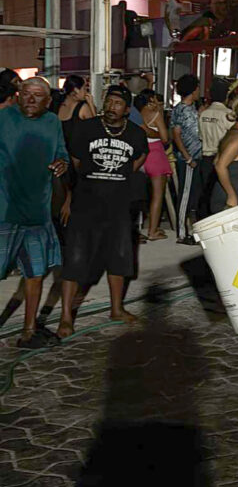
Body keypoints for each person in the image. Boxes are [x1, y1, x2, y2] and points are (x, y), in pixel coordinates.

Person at [57, 85, 148, 338]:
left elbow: (138, 160)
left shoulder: (135, 133)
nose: (111, 107)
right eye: (108, 102)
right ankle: (65, 317)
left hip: (118, 206)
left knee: (119, 257)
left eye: (117, 103)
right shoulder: (86, 129)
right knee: (74, 260)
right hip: (86, 205)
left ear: (127, 110)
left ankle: (116, 309)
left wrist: (116, 178)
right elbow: (76, 163)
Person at [0, 77, 68, 348]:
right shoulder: (4, 118)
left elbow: (61, 153)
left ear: (48, 101)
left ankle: (29, 330)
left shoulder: (53, 122)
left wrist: (62, 163)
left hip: (38, 213)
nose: (30, 99)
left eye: (37, 95)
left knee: (35, 273)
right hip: (4, 210)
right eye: (26, 93)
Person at [135, 89, 171, 241]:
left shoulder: (137, 114)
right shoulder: (156, 115)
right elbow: (165, 138)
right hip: (155, 154)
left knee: (140, 194)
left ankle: (138, 227)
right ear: (151, 100)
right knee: (157, 195)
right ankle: (153, 231)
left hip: (140, 155)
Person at [170, 74, 202, 243]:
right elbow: (176, 135)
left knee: (192, 196)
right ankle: (182, 233)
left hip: (195, 157)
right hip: (188, 159)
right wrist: (188, 157)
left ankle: (190, 229)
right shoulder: (181, 110)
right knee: (185, 196)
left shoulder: (192, 108)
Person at [197, 80, 235, 218]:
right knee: (221, 195)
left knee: (206, 193)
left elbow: (201, 137)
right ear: (226, 96)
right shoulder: (228, 114)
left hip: (206, 159)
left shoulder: (203, 114)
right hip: (223, 160)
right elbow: (234, 138)